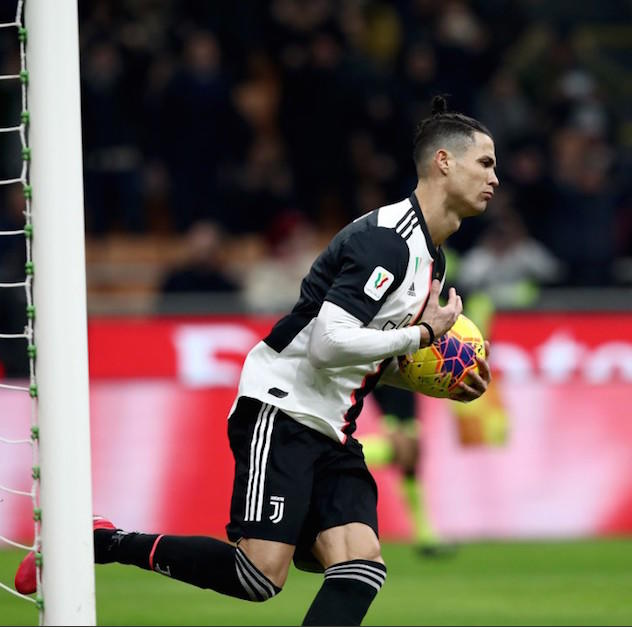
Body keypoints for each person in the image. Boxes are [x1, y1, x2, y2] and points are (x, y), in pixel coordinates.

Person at [16, 95, 498, 626]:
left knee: (360, 566)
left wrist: (432, 378)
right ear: (443, 162)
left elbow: (361, 350)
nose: (494, 178)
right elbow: (326, 344)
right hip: (283, 408)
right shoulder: (388, 242)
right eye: (486, 162)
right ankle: (105, 541)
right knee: (258, 577)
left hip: (334, 425)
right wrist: (422, 335)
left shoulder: (431, 258)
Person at [361, 385, 453, 556]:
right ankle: (337, 454)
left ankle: (426, 537)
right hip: (391, 377)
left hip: (406, 381)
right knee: (405, 450)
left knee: (411, 459)